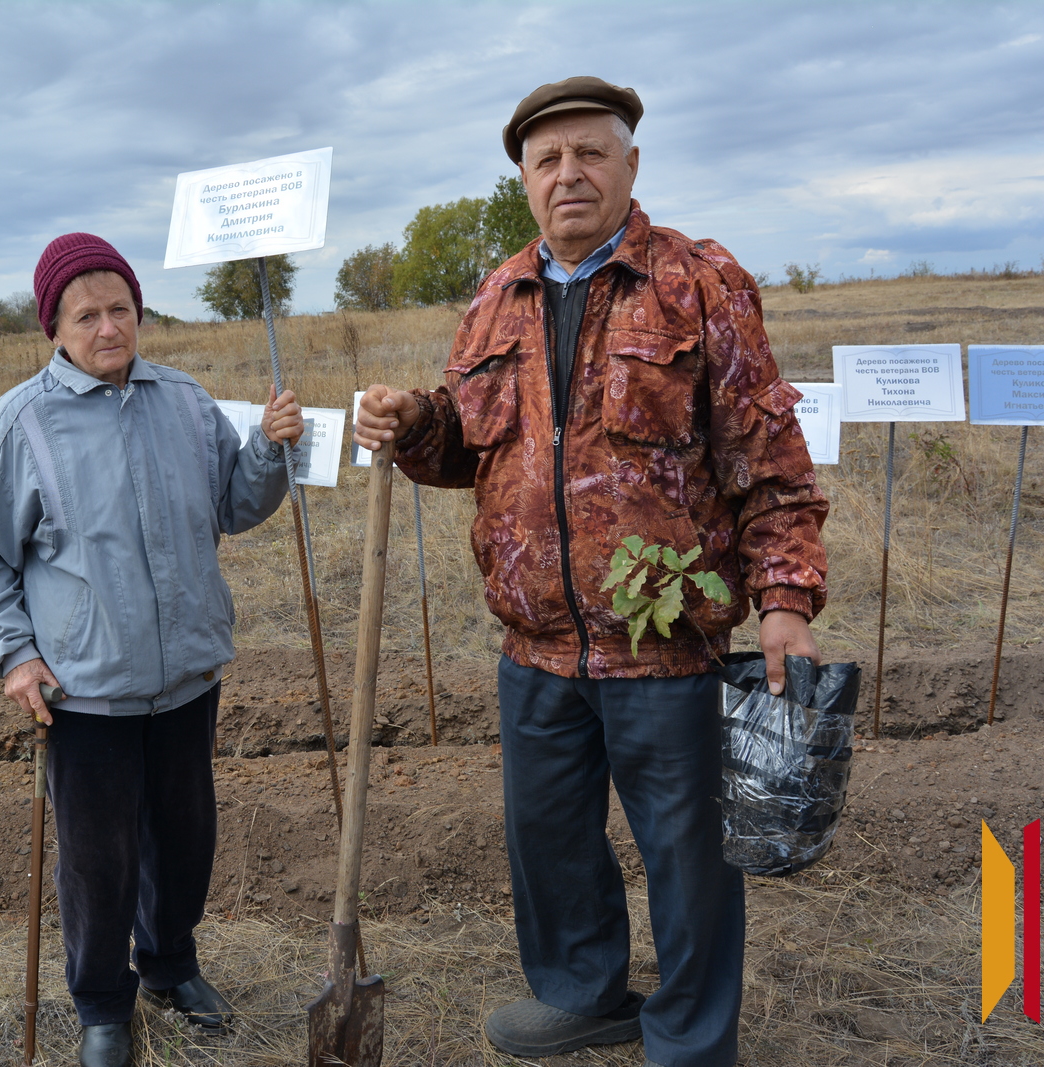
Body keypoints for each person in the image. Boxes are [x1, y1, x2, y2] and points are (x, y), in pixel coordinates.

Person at [354, 77, 829, 1067]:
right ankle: (583, 993)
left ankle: (689, 1039)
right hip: (534, 646)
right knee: (550, 841)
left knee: (688, 857)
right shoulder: (496, 296)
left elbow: (767, 454)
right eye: (547, 159)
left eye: (589, 153)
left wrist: (784, 598)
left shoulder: (697, 281)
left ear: (630, 164)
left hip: (667, 645)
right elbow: (465, 449)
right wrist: (414, 423)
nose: (568, 173)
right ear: (525, 181)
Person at [0, 233, 302, 1067]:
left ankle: (170, 966)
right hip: (85, 689)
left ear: (139, 311)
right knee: (98, 861)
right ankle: (103, 1004)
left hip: (186, 677)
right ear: (55, 327)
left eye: (121, 309)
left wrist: (268, 447)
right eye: (87, 315)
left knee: (184, 839)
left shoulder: (183, 400)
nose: (109, 328)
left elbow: (235, 503)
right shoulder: (24, 422)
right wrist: (14, 656)